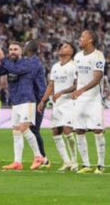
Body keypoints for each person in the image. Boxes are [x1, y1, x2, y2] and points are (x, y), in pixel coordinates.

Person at [0, 42, 45, 171]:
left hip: (27, 100)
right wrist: (0, 61)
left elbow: (16, 70)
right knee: (16, 132)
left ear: (21, 51)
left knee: (24, 128)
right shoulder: (9, 64)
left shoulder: (27, 63)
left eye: (16, 49)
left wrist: (3, 59)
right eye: (10, 49)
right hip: (15, 102)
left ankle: (39, 157)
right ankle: (17, 162)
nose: (12, 52)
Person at [38, 42, 78, 172]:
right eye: (61, 46)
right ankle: (66, 162)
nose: (62, 47)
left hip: (69, 103)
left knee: (68, 132)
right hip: (57, 104)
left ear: (72, 52)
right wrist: (43, 101)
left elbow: (77, 85)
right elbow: (51, 85)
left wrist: (61, 92)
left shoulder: (74, 66)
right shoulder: (55, 66)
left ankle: (74, 161)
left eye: (66, 46)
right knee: (55, 131)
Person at [71, 30, 106, 174]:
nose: (80, 39)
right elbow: (78, 76)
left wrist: (82, 90)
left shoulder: (98, 56)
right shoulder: (78, 56)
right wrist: (75, 90)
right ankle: (86, 165)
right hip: (80, 99)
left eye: (83, 36)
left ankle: (101, 165)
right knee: (79, 130)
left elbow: (97, 78)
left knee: (98, 131)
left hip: (94, 99)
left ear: (90, 40)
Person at [25, 40, 49, 168]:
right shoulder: (32, 62)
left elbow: (39, 85)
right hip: (34, 99)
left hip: (37, 100)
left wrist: (42, 101)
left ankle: (43, 158)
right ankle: (42, 158)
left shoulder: (33, 63)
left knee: (34, 129)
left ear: (29, 48)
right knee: (32, 129)